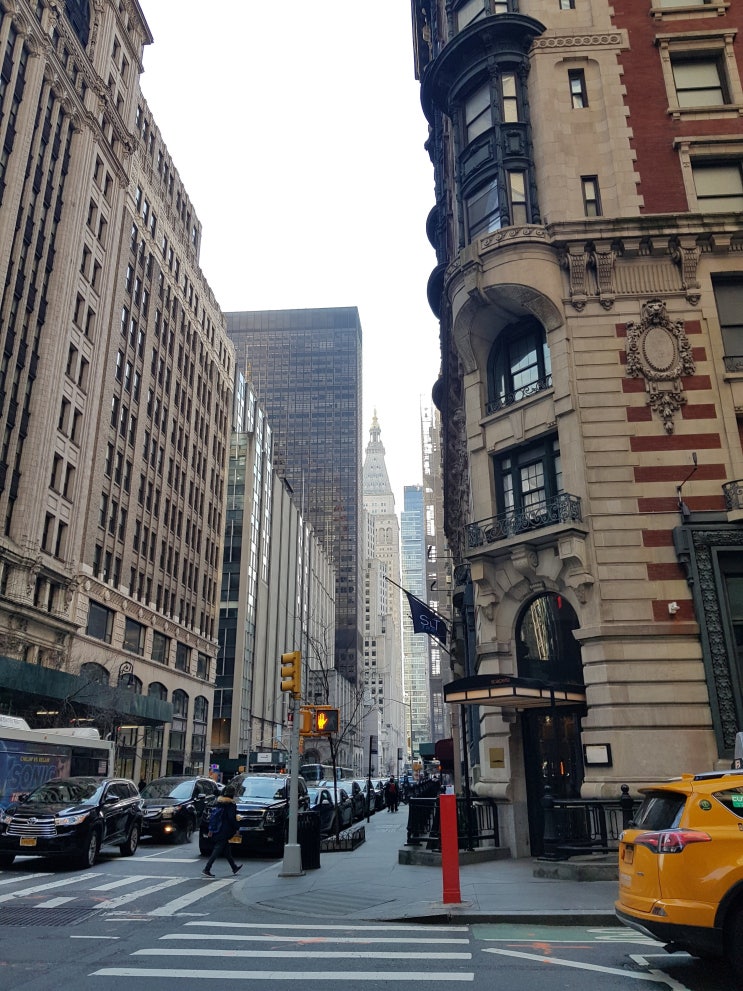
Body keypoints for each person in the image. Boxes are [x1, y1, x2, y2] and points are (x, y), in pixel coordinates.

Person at [201, 784, 243, 878]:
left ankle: (234, 867)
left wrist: (211, 829)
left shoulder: (219, 802)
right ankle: (207, 869)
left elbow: (214, 817)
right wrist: (237, 827)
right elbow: (231, 818)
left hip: (218, 829)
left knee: (226, 850)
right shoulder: (231, 805)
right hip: (225, 830)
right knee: (217, 849)